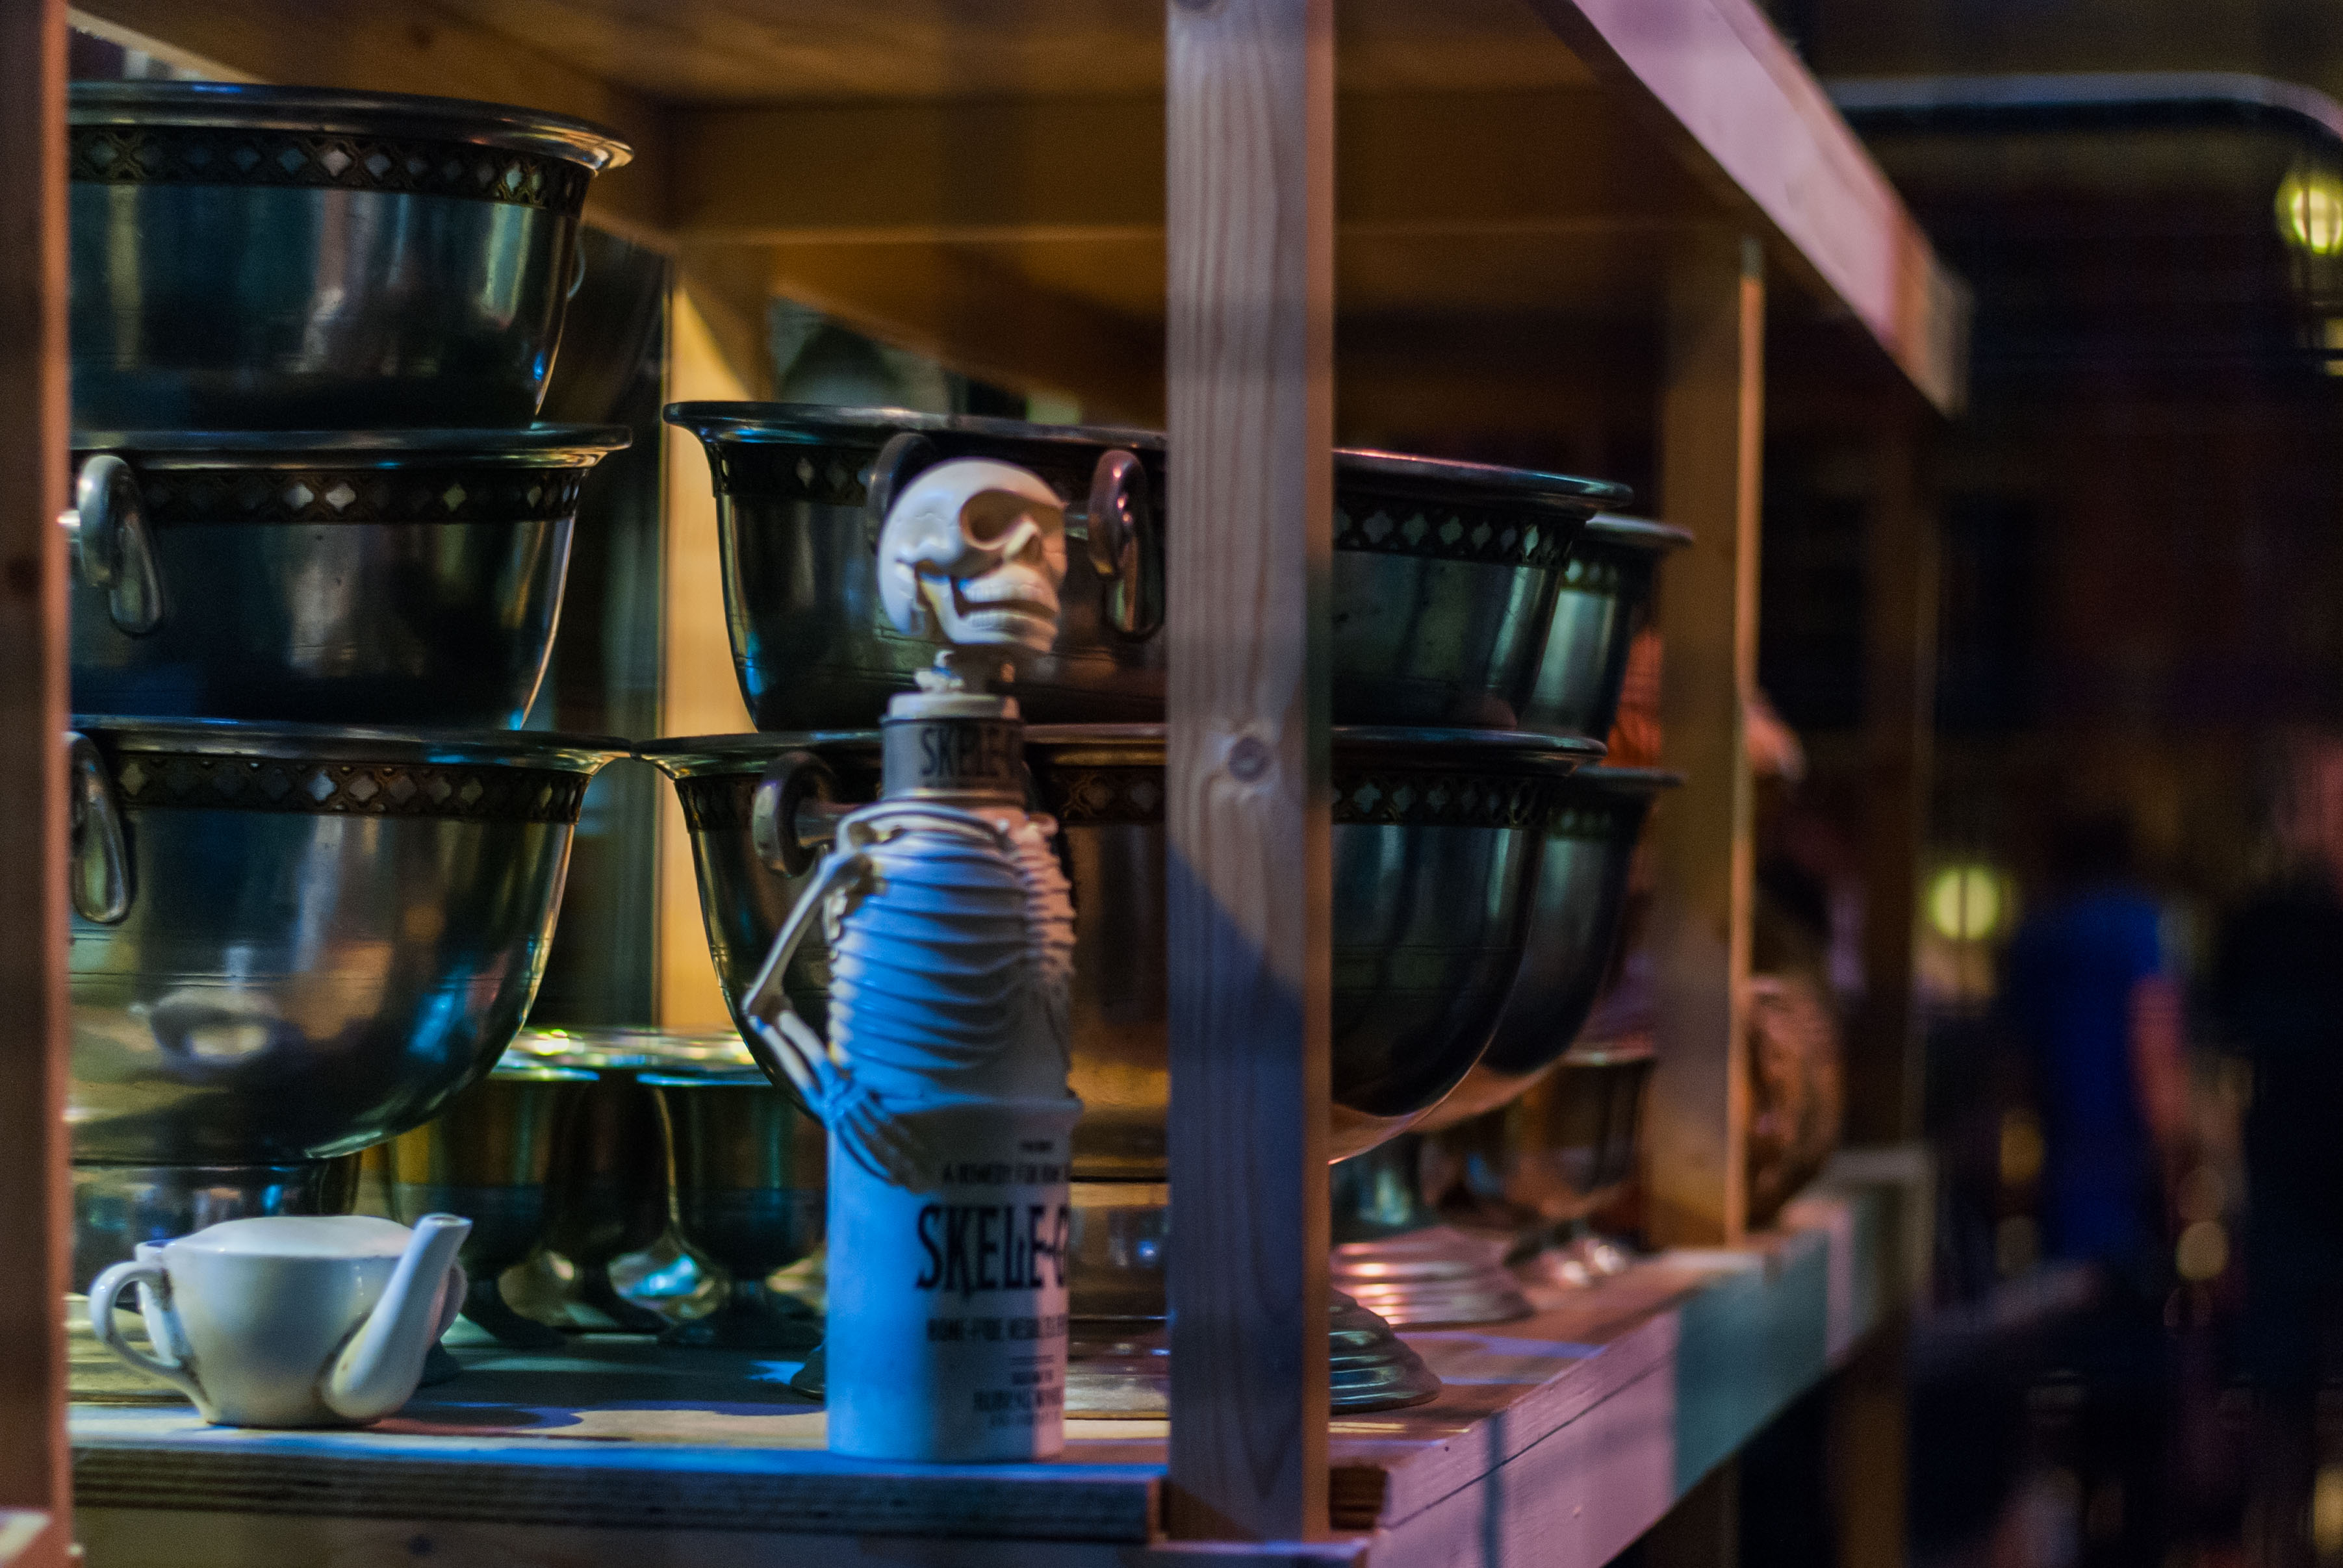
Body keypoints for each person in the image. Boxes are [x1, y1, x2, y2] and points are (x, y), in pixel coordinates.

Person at [2000, 809, 2188, 1567]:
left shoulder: (2038, 938)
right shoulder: (2141, 928)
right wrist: (2178, 1182)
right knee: (2141, 1429)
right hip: (2129, 1205)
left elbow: (2014, 1074)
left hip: (2061, 1200)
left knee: (2067, 1412)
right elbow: (2155, 1059)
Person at [2210, 733, 2343, 1568]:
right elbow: (2217, 1066)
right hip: (2286, 1204)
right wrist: (2222, 1187)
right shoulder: (2262, 924)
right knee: (2282, 1410)